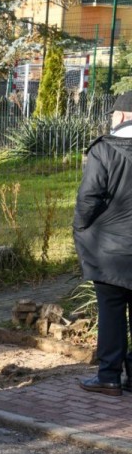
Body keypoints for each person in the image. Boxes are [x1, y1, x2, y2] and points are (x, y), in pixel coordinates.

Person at [74, 91, 132, 396]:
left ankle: (109, 376)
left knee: (111, 312)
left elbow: (89, 196)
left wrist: (80, 226)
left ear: (120, 116)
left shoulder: (104, 149)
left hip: (109, 250)